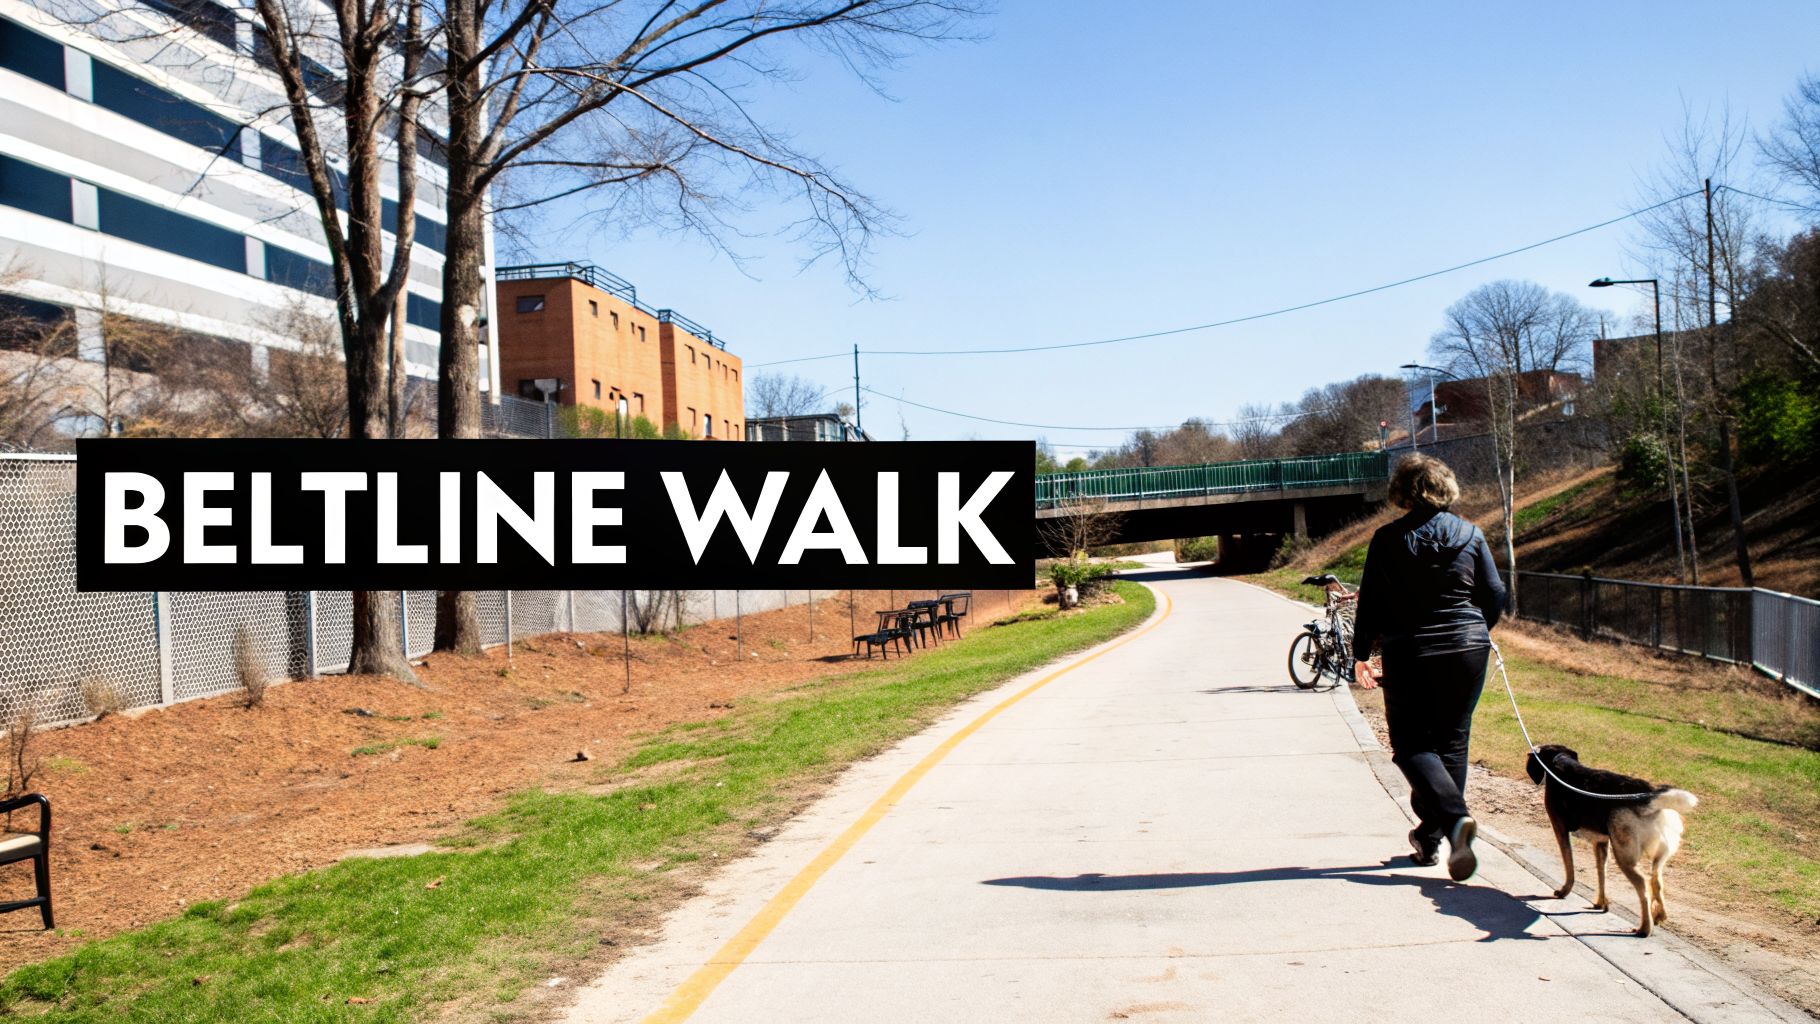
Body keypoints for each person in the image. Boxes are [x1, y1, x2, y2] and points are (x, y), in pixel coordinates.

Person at [1351, 453, 1505, 881]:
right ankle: (1432, 837)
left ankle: (1455, 822)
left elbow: (1372, 603)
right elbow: (1495, 593)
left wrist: (1360, 653)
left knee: (1412, 745)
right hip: (1467, 648)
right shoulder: (1471, 535)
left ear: (1403, 492)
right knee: (1452, 743)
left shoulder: (1387, 538)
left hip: (1412, 651)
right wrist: (1475, 632)